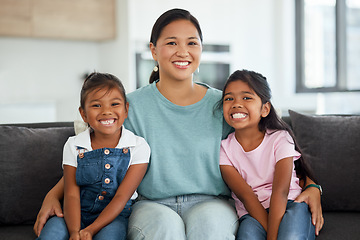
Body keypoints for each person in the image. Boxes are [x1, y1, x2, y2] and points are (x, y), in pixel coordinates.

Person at [34, 9, 323, 239]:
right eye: (171, 42)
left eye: (191, 43)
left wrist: (312, 187)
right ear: (153, 50)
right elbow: (94, 154)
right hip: (151, 204)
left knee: (210, 229)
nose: (182, 51)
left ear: (200, 51)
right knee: (165, 231)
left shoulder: (227, 104)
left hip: (213, 202)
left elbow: (269, 149)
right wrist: (52, 194)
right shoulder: (128, 106)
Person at [37, 72, 150, 240]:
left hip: (113, 217)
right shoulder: (73, 145)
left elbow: (121, 197)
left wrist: (91, 230)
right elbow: (71, 194)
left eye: (114, 104)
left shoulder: (138, 146)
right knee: (50, 235)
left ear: (126, 109)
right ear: (83, 114)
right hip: (75, 214)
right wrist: (75, 231)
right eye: (97, 105)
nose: (106, 111)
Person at [219, 70, 318, 240]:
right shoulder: (224, 149)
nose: (236, 104)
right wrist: (270, 233)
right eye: (229, 98)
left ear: (264, 109)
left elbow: (281, 191)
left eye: (246, 97)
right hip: (253, 212)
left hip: (290, 205)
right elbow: (246, 196)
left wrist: (273, 236)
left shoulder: (280, 138)